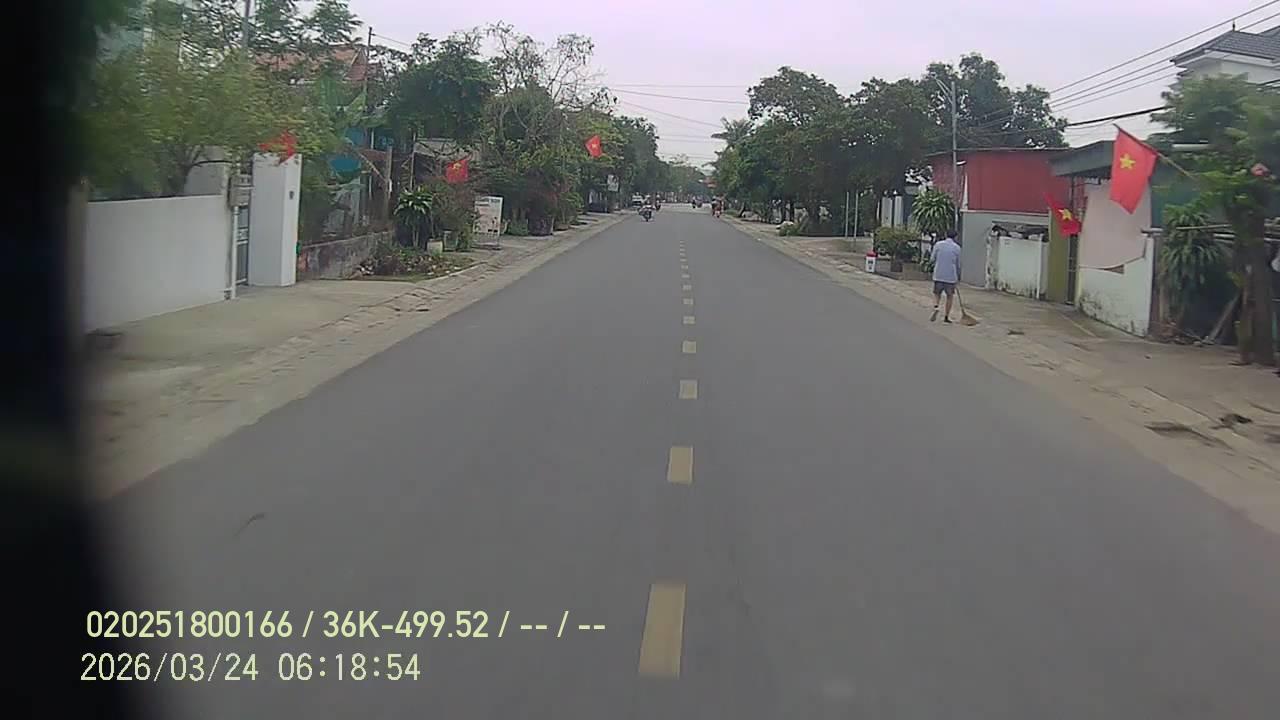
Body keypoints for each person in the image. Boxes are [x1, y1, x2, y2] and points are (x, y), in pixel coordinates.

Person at [930, 231, 962, 323]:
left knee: (937, 294)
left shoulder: (938, 245)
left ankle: (936, 306)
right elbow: (958, 264)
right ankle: (946, 316)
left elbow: (932, 259)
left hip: (938, 274)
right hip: (950, 276)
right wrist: (958, 276)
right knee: (949, 296)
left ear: (945, 235)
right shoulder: (957, 248)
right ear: (955, 237)